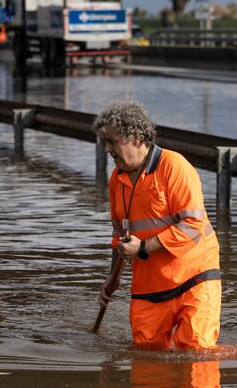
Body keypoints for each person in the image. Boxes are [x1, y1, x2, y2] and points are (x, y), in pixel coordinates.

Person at [95, 100, 221, 350]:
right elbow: (120, 235)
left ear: (135, 137)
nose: (107, 149)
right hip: (150, 284)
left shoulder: (174, 166)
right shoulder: (116, 179)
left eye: (112, 141)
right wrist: (113, 277)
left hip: (194, 278)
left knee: (197, 352)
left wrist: (143, 247)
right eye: (105, 142)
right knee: (146, 354)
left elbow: (193, 225)